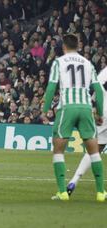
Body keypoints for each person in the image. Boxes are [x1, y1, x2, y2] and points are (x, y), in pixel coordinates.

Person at [43, 34, 105, 202]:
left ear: (64, 46)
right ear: (79, 46)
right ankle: (100, 192)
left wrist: (45, 109)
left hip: (67, 108)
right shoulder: (88, 63)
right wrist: (99, 113)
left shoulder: (59, 62)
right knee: (94, 151)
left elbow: (51, 88)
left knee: (58, 150)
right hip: (85, 108)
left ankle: (62, 192)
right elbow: (98, 91)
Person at [66, 66, 107, 196]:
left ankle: (74, 181)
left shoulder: (105, 72)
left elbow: (94, 88)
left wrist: (95, 109)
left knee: (94, 150)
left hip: (104, 112)